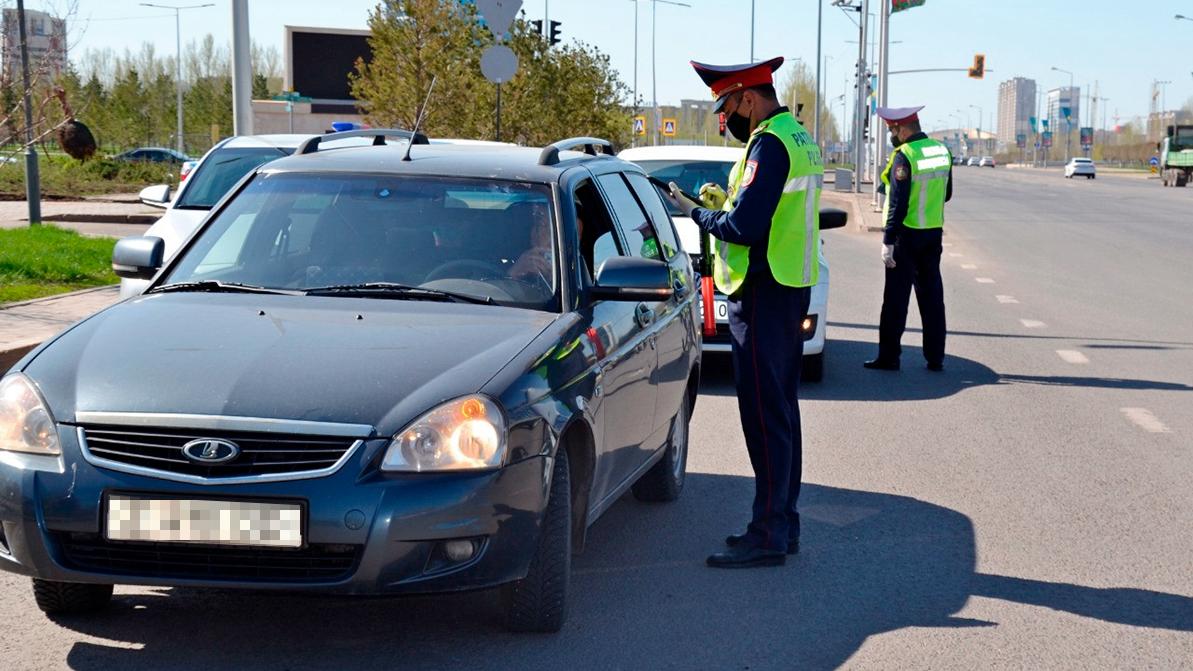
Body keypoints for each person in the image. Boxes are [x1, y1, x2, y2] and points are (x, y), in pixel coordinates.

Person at [667, 57, 823, 569]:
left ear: (748, 98)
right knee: (781, 413)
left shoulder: (770, 144)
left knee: (763, 416)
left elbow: (746, 226)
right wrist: (727, 204)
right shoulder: (797, 136)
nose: (726, 119)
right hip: (784, 289)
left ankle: (768, 533)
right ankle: (785, 524)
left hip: (762, 293)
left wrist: (697, 213)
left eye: (728, 107)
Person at [864, 106, 953, 372]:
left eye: (891, 130)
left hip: (905, 237)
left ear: (902, 129)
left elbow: (898, 203)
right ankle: (935, 357)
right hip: (933, 234)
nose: (891, 135)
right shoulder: (941, 151)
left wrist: (888, 240)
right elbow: (947, 194)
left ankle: (889, 357)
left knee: (895, 300)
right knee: (932, 298)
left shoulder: (905, 156)